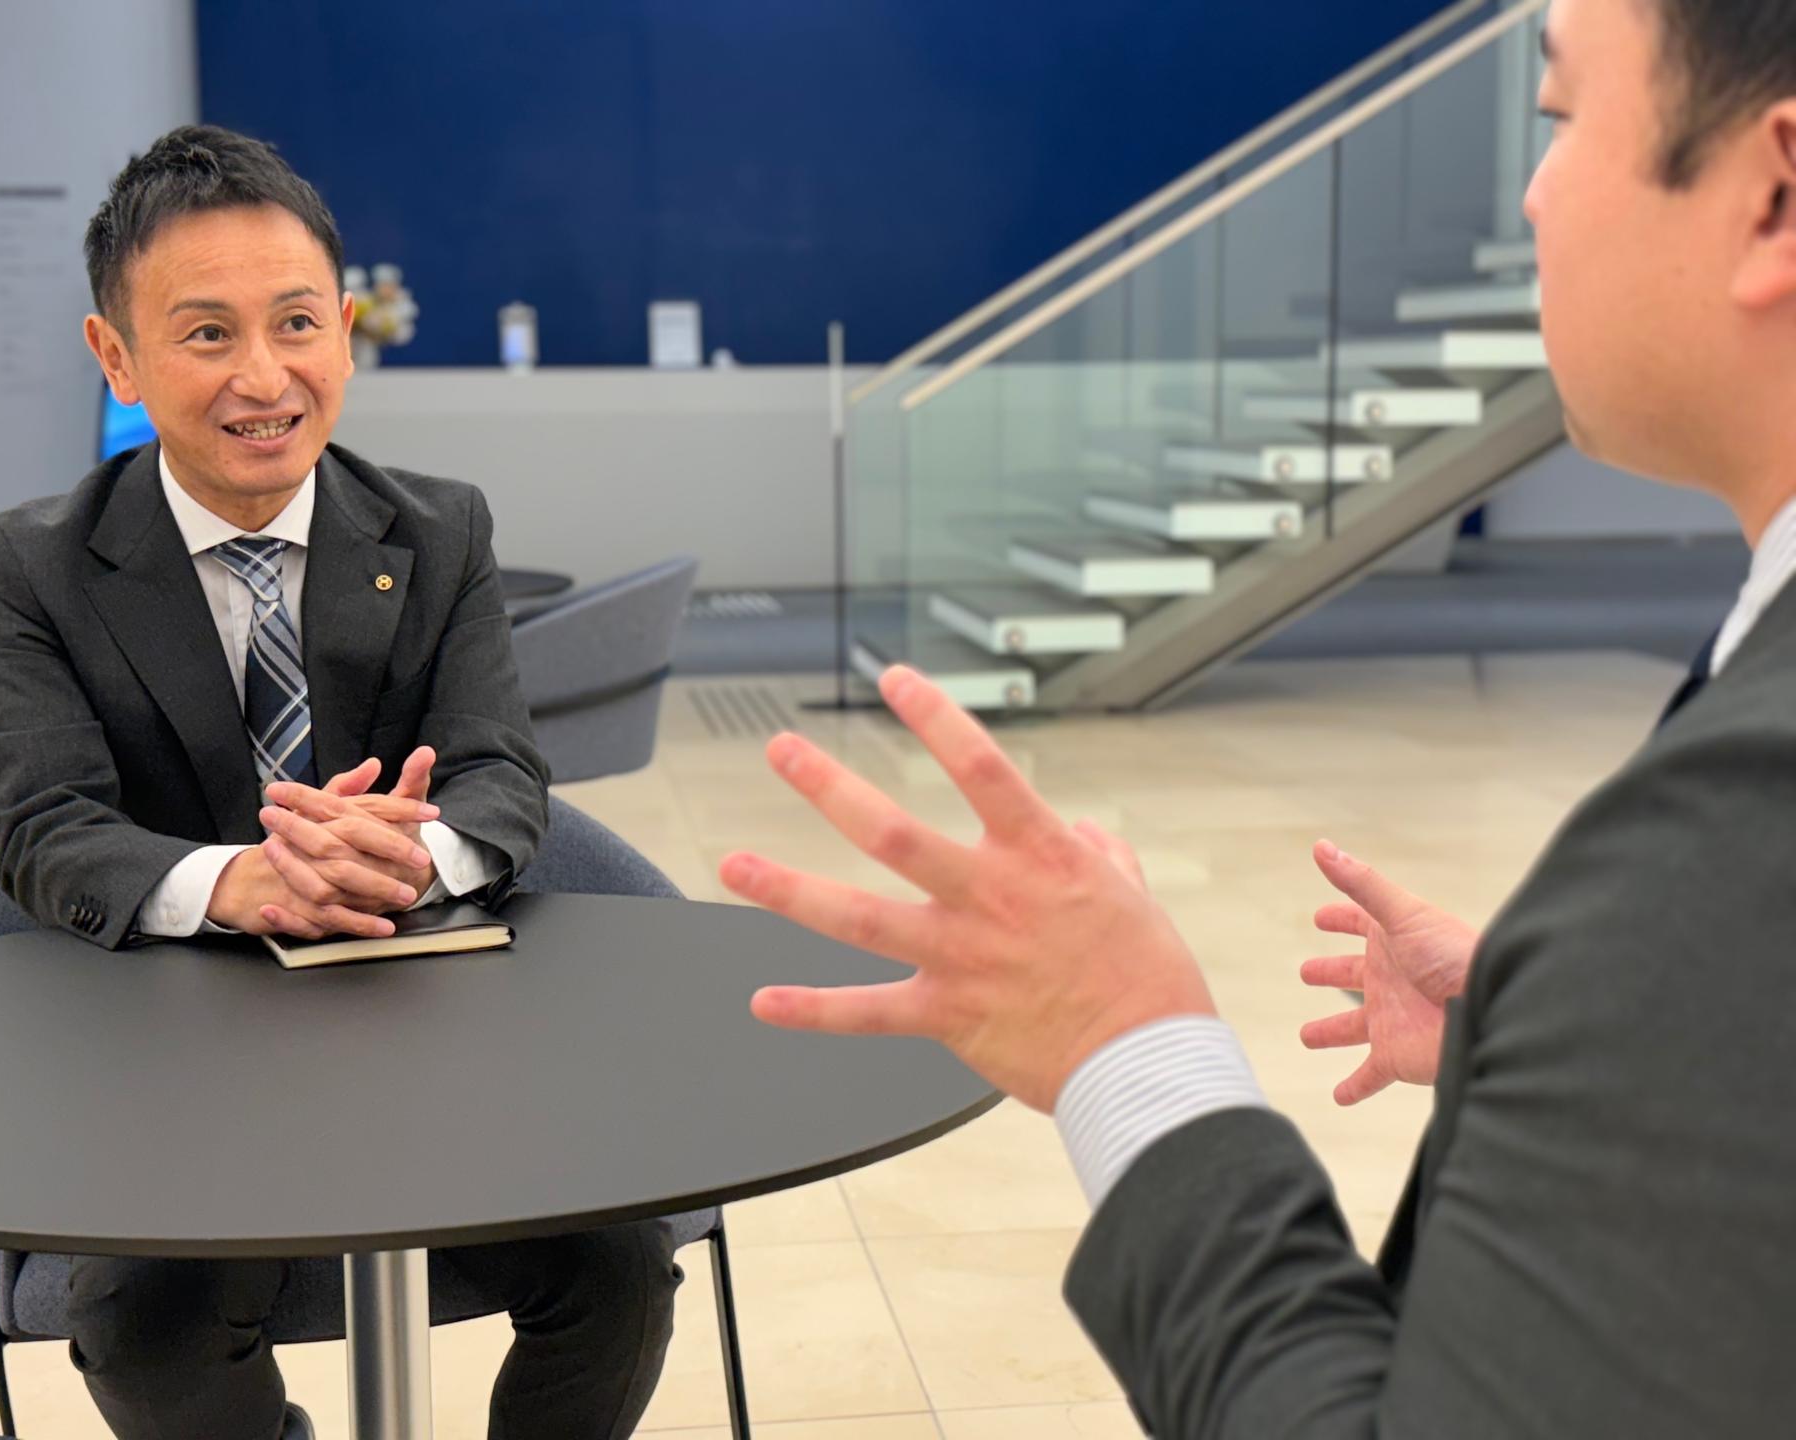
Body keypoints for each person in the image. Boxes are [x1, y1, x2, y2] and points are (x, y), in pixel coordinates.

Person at [719, 0, 1796, 1433]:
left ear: (1774, 196)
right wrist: (1580, 1031)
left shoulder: (1743, 821)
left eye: (1559, 118)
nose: (1533, 194)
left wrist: (1123, 1036)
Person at [0, 125, 677, 1440]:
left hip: (424, 1026)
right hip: (173, 1058)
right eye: (206, 333)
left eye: (297, 323)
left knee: (621, 1271)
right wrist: (239, 880)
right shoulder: (37, 566)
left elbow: (500, 771)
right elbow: (44, 823)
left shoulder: (440, 528)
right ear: (116, 357)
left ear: (344, 333)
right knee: (144, 1328)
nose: (265, 376)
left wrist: (413, 856)